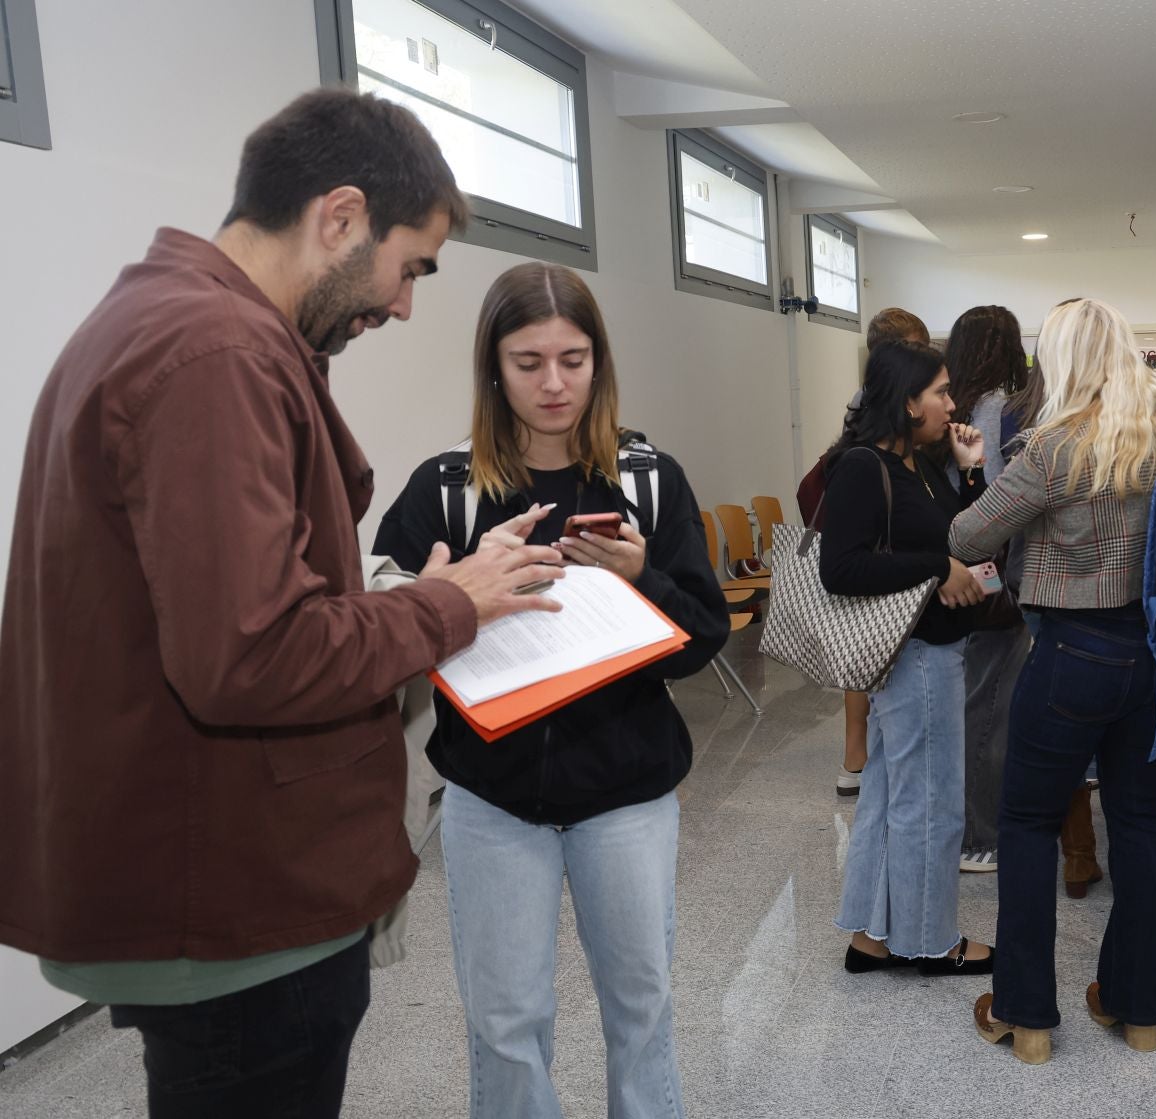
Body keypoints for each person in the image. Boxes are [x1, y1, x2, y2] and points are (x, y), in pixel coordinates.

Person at [0, 89, 570, 1119]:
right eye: (413, 268)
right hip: (230, 897)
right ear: (340, 217)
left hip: (212, 881)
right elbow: (252, 652)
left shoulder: (173, 321)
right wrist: (451, 606)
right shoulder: (211, 353)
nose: (402, 306)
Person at [371, 263, 729, 1117]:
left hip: (628, 796)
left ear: (599, 362)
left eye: (573, 358)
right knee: (505, 1022)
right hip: (491, 799)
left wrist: (645, 577)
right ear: (493, 368)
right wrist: (454, 590)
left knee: (641, 1013)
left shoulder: (647, 480)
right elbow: (378, 618)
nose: (554, 382)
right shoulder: (445, 490)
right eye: (528, 361)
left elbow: (703, 640)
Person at [954, 298, 1156, 1064]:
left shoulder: (1050, 448)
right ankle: (1137, 1010)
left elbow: (969, 536)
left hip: (1072, 654)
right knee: (1140, 818)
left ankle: (1027, 1015)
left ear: (1061, 361)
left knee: (1029, 823)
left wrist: (977, 477)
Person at [823, 341, 997, 976]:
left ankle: (871, 936)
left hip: (927, 653)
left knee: (894, 798)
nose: (952, 404)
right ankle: (932, 939)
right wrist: (934, 567)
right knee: (931, 804)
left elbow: (961, 537)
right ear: (906, 401)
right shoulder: (864, 468)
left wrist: (971, 469)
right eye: (942, 392)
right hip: (916, 657)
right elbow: (839, 569)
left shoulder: (918, 466)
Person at [798, 307, 933, 798]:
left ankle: (857, 752)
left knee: (865, 639)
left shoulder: (868, 396)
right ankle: (858, 750)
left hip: (873, 528)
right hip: (879, 533)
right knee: (868, 636)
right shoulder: (883, 404)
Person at [944, 305, 1032, 874]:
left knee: (971, 700)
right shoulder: (1004, 410)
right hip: (994, 576)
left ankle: (970, 824)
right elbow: (1003, 502)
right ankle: (979, 837)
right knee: (990, 706)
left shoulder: (946, 405)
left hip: (950, 570)